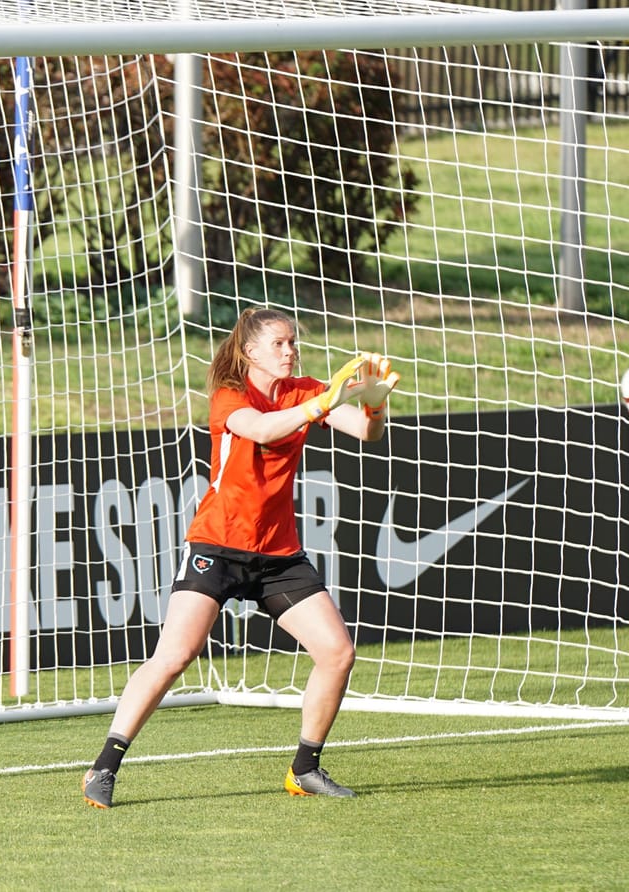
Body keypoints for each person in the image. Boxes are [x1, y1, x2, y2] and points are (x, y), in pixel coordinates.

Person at [82, 307, 399, 808]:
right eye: (279, 343)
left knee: (338, 654)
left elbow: (366, 433)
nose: (290, 350)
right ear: (250, 351)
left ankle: (305, 768)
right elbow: (266, 429)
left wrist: (375, 407)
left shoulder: (303, 391)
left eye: (292, 342)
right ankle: (104, 766)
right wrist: (324, 401)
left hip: (278, 553)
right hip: (218, 545)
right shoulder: (230, 397)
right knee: (175, 656)